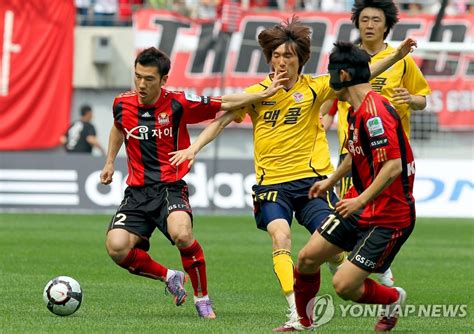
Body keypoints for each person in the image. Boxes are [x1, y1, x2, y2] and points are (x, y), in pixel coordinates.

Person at [167, 17, 417, 330]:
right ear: (269, 58)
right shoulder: (257, 93)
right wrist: (194, 149)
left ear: (300, 60)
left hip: (312, 182)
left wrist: (395, 57)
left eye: (289, 56)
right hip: (272, 184)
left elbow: (359, 77)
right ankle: (296, 313)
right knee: (280, 237)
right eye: (276, 55)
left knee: (327, 252)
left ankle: (363, 275)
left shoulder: (314, 88)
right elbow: (221, 119)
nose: (282, 61)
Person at [99, 47, 285, 319]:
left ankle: (203, 299)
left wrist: (263, 94)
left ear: (163, 81)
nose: (141, 84)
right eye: (137, 77)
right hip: (137, 192)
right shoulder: (122, 103)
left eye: (149, 79)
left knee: (182, 233)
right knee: (116, 247)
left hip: (169, 187)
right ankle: (170, 276)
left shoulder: (178, 102)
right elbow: (118, 126)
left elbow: (224, 102)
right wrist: (110, 161)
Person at [288, 41, 416, 332]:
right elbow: (354, 154)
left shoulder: (376, 113)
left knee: (344, 286)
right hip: (360, 205)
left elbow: (393, 166)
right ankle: (303, 324)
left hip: (388, 215)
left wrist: (359, 201)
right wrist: (331, 181)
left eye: (331, 72)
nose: (329, 79)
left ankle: (393, 299)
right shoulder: (355, 111)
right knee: (307, 258)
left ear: (343, 75)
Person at [321, 0, 431, 287]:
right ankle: (363, 269)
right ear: (357, 23)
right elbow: (332, 103)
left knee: (375, 211)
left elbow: (422, 98)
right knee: (351, 211)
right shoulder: (348, 60)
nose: (369, 25)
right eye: (364, 19)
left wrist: (411, 100)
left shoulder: (402, 60)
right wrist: (325, 122)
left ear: (386, 25)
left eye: (376, 20)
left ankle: (369, 270)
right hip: (355, 154)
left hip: (391, 152)